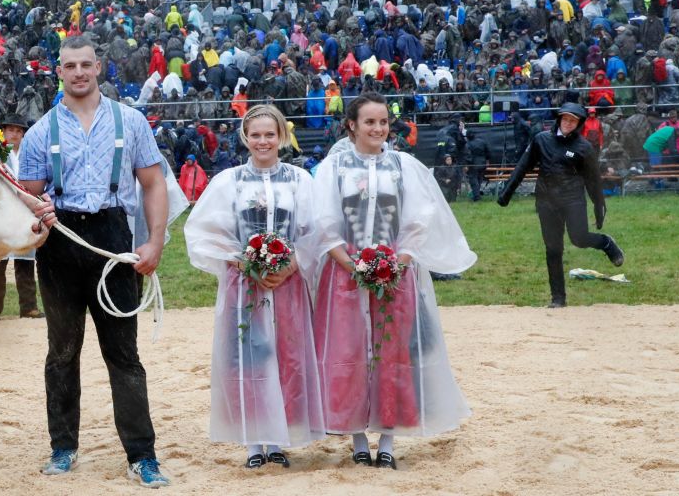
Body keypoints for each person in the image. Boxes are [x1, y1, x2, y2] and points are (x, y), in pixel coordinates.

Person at [17, 36, 171, 488]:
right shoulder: (40, 131)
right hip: (61, 243)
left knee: (124, 354)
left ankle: (142, 455)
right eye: (70, 65)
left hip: (114, 241)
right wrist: (38, 217)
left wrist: (155, 242)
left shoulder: (132, 120)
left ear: (99, 67)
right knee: (62, 351)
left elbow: (154, 184)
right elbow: (28, 194)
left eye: (86, 64)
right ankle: (63, 447)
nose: (79, 72)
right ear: (58, 71)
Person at [310, 94, 475, 470]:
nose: (378, 129)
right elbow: (324, 223)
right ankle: (356, 437)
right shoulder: (334, 167)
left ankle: (387, 438)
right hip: (344, 277)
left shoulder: (403, 166)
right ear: (352, 124)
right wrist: (352, 266)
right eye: (370, 122)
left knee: (393, 354)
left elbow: (418, 221)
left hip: (396, 275)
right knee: (348, 352)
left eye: (383, 122)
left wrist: (395, 265)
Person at [183, 105, 324, 469]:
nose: (263, 141)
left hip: (288, 285)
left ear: (281, 137)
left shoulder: (299, 180)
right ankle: (253, 442)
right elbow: (206, 231)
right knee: (247, 359)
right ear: (246, 138)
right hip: (244, 284)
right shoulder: (229, 181)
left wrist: (291, 262)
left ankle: (279, 439)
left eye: (270, 134)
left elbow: (317, 230)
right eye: (256, 135)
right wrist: (245, 262)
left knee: (286, 358)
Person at [498, 103, 625, 308]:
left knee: (579, 238)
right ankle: (558, 298)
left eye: (573, 121)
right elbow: (522, 166)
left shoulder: (583, 147)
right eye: (565, 119)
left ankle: (606, 243)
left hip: (573, 199)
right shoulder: (541, 140)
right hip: (546, 202)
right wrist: (507, 192)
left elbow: (593, 180)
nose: (568, 123)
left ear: (579, 124)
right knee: (553, 249)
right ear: (559, 119)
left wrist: (599, 206)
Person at [0, 114, 46, 322]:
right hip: (0, 214)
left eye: (19, 131)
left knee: (25, 261)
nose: (15, 134)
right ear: (4, 131)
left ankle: (29, 307)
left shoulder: (28, 153)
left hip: (24, 214)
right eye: (11, 130)